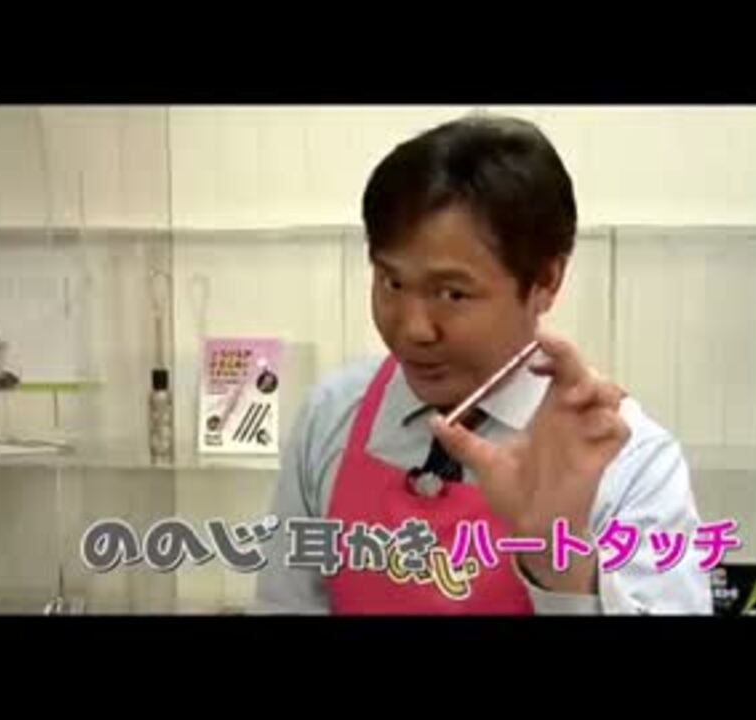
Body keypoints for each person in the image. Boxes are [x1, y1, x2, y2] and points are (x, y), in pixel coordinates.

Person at [254, 114, 712, 614]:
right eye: (392, 283)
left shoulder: (629, 460)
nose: (413, 328)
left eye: (452, 293)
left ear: (547, 281)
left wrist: (557, 563)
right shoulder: (331, 414)